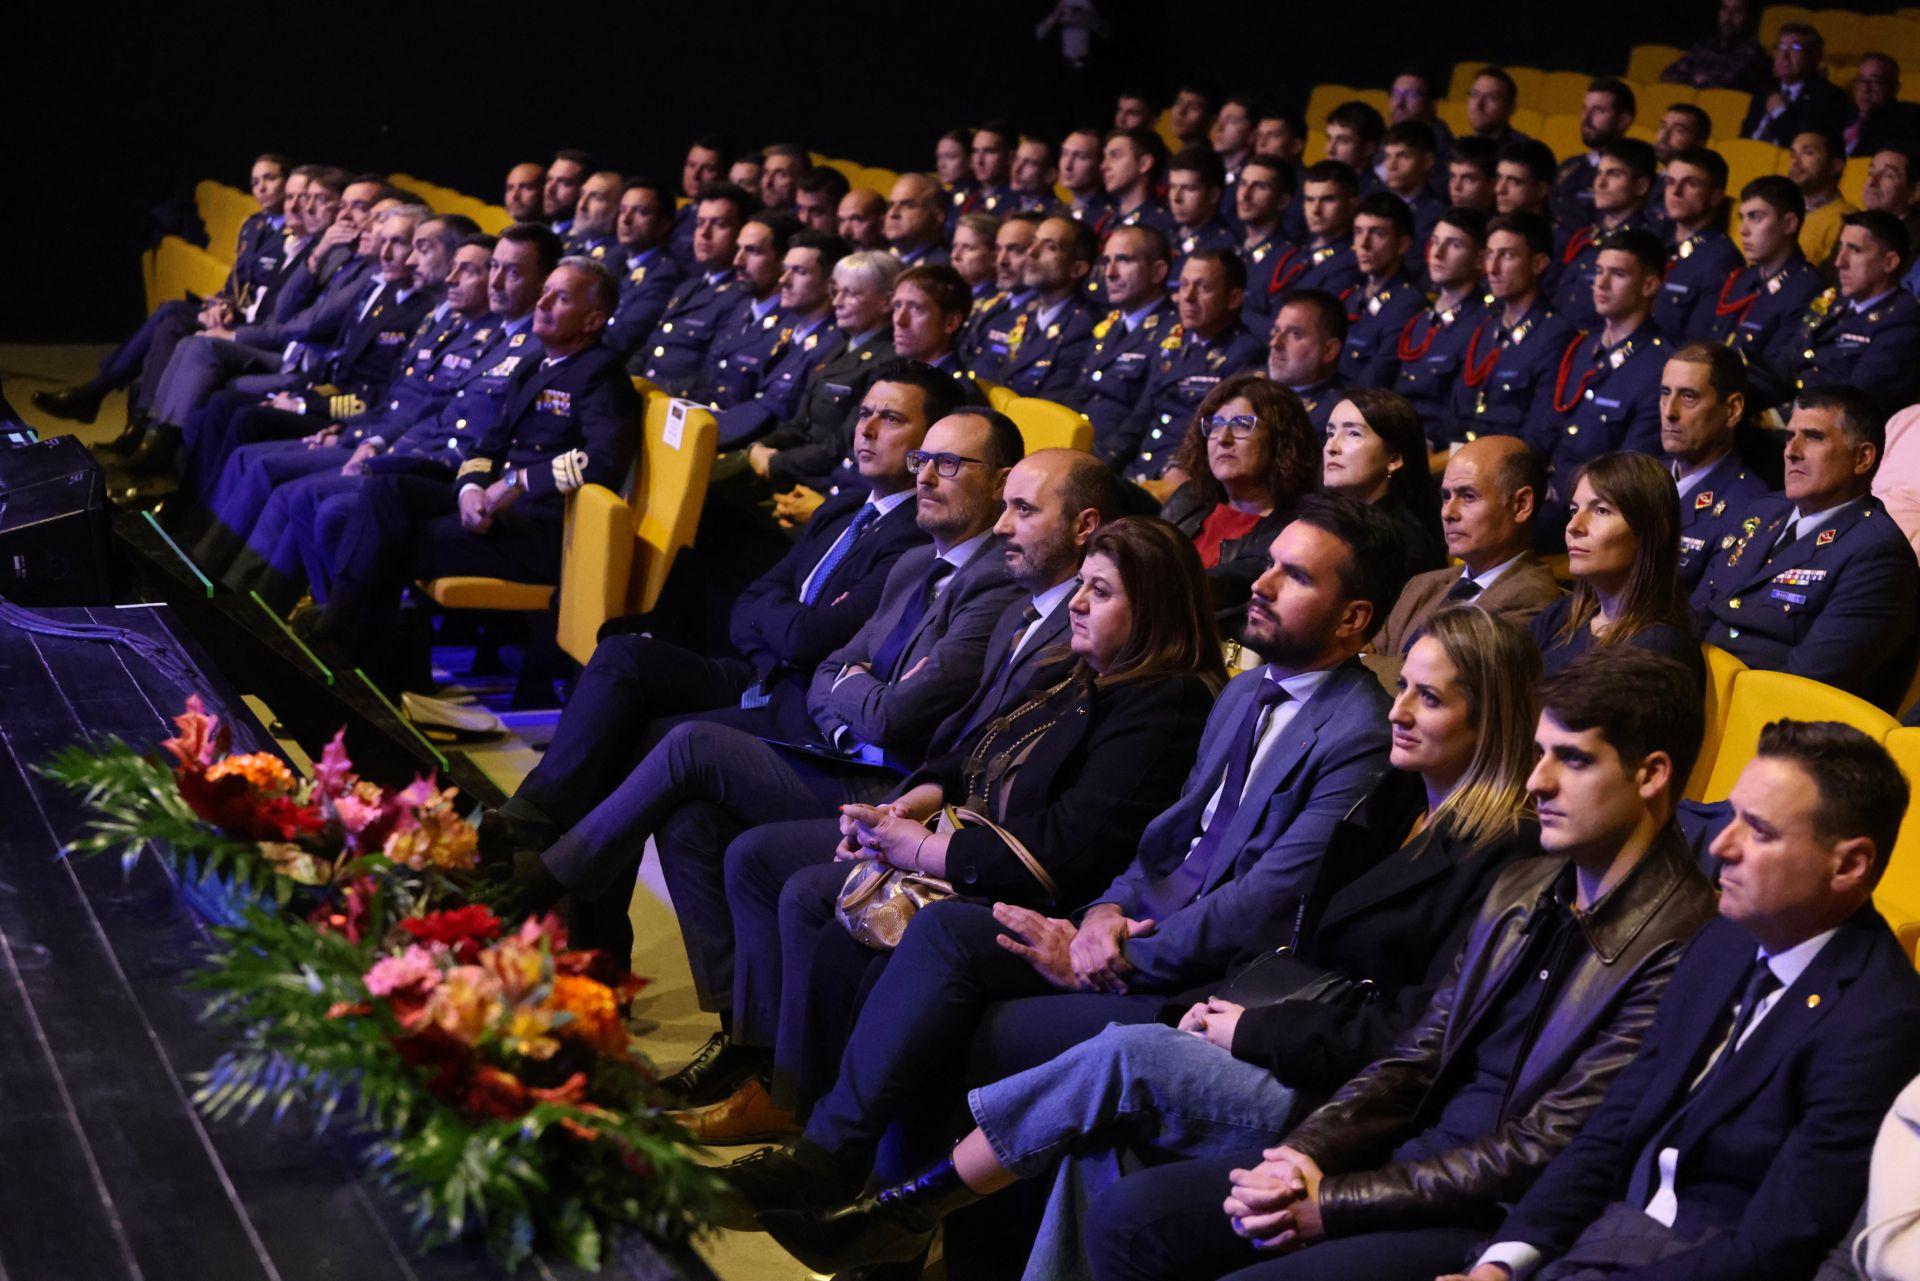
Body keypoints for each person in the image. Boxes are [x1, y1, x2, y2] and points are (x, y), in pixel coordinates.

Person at [763, 605, 1553, 1278]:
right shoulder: (1395, 803)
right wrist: (1106, 918)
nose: (1399, 710)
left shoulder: (1504, 854)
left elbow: (1412, 1033)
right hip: (1267, 1011)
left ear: (1491, 720)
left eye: (1430, 698)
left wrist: (1244, 1025)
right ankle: (891, 1204)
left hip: (1345, 1094)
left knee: (1126, 1055)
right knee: (1092, 1147)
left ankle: (910, 1205)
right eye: (1403, 686)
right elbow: (1179, 856)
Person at [718, 495, 1409, 1231]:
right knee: (942, 934)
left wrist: (1121, 953)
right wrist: (1104, 914)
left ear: (1352, 619)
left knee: (966, 1019)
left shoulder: (1359, 732)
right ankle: (835, 1166)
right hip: (1123, 928)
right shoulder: (1246, 692)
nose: (1262, 584)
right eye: (1268, 564)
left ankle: (885, 1210)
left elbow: (1269, 899)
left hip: (1203, 978)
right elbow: (1163, 843)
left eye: (1294, 575)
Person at [1084, 646, 1719, 1281]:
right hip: (1402, 1155)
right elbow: (1417, 1051)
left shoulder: (1683, 941)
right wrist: (1305, 1155)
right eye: (1541, 752)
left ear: (1650, 775)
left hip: (1492, 1214)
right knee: (1130, 1217)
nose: (1537, 780)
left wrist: (1333, 1203)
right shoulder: (1524, 888)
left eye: (1572, 760)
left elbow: (1546, 1144)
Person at [698, 515, 1227, 1147]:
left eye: (1102, 592)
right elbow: (971, 750)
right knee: (815, 902)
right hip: (972, 845)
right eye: (1081, 584)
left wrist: (919, 849)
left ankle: (830, 1142)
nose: (1078, 603)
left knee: (857, 925)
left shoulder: (1164, 702)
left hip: (1039, 892)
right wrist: (905, 812)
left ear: (1155, 611)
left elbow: (1069, 844)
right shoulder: (1082, 672)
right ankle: (802, 1108)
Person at [680, 450, 1128, 1115]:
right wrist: (917, 797)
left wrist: (917, 834)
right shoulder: (1015, 608)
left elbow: (916, 721)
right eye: (1006, 506)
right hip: (927, 796)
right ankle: (760, 1057)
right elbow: (864, 680)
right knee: (720, 832)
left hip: (980, 836)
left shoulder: (1075, 632)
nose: (1004, 526)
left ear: (1085, 525)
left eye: (1023, 509)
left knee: (792, 876)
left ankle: (797, 1100)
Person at [503, 410, 1025, 972]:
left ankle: (531, 889)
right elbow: (832, 668)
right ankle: (735, 1028)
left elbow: (897, 716)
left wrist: (856, 687)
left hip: (898, 787)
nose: (923, 476)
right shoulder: (919, 561)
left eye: (947, 464)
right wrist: (856, 687)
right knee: (689, 817)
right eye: (923, 460)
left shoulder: (998, 582)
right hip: (839, 747)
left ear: (1001, 482)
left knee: (687, 742)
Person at [1443, 719, 1920, 1281]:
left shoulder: (1882, 1021)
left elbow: (1773, 1248)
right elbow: (1612, 1127)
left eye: (1760, 832)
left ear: (1849, 865)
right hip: (1594, 1240)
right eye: (1731, 816)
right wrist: (1503, 1262)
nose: (1721, 846)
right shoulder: (1722, 941)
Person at [477, 362, 958, 881]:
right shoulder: (843, 508)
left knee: (641, 740)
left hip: (798, 701)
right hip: (756, 672)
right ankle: (532, 821)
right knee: (623, 655)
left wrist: (779, 629)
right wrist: (778, 633)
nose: (865, 430)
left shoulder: (914, 536)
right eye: (864, 413)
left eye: (889, 419)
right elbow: (753, 602)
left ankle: (545, 865)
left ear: (928, 442)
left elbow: (811, 639)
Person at [297, 257, 640, 689]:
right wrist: (470, 490)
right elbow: (488, 446)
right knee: (388, 487)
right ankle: (356, 648)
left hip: (546, 530)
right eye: (546, 290)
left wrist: (517, 483)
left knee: (395, 539)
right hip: (501, 513)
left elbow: (605, 461)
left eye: (562, 297)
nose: (543, 301)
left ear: (593, 319)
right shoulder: (537, 365)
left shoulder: (602, 375)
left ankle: (351, 653)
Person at [1691, 385, 1920, 711]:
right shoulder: (1764, 511)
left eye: (1813, 437)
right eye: (1789, 436)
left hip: (1767, 729)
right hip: (1693, 694)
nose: (1791, 451)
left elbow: (1806, 685)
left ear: (1862, 458)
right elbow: (1696, 613)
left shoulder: (1878, 554)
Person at [1530, 229, 1669, 540]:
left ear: (1649, 285)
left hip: (1590, 512)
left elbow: (1628, 474)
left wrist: (1553, 491)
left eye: (1617, 274)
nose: (1601, 284)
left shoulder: (1659, 365)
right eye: (1598, 272)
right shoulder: (1583, 347)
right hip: (1547, 491)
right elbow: (1547, 428)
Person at [1372, 436, 1563, 655]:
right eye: (1446, 497)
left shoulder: (1534, 603)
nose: (1447, 513)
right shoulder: (1422, 585)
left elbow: (1440, 682)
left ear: (1520, 505)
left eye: (1468, 496)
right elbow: (1362, 660)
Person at [1532, 452, 1705, 686]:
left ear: (1652, 532)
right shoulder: (1561, 616)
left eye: (1601, 510)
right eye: (1574, 510)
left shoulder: (1659, 651)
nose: (1574, 526)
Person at [1161, 372, 1319, 618]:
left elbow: (1233, 582)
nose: (1223, 438)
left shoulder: (1296, 526)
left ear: (1281, 439)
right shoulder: (1188, 499)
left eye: (1242, 425)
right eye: (1216, 425)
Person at [1120, 250, 1267, 487]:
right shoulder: (1176, 344)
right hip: (1141, 469)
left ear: (1234, 298)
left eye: (1203, 288)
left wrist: (1168, 470)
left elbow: (1214, 434)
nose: (1187, 297)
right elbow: (1141, 417)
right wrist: (1103, 459)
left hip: (1182, 479)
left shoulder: (1245, 353)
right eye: (1184, 285)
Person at [1753, 211, 1920, 413]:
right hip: (1792, 410)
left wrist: (1772, 416)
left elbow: (1855, 403)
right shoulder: (1834, 302)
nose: (1840, 262)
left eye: (1855, 250)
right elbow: (1783, 365)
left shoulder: (1902, 320)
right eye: (1840, 247)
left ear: (1889, 262)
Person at [1443, 213, 1578, 451]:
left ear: (1538, 263)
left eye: (1507, 255)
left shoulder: (1555, 335)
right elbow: (1457, 413)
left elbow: (1538, 436)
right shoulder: (1486, 329)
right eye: (1489, 255)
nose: (1492, 269)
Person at [1059, 225, 1175, 461]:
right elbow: (1080, 393)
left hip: (1113, 462)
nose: (1110, 273)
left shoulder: (1173, 334)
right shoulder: (1110, 326)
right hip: (1079, 450)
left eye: (1124, 260)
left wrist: (1093, 461)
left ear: (1157, 272)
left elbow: (1142, 419)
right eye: (1106, 261)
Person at [1660, 343, 1770, 591]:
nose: (1669, 412)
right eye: (1665, 393)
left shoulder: (1751, 507)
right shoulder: (1640, 477)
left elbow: (1705, 614)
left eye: (1689, 397)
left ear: (1732, 410)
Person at [636, 181, 759, 394]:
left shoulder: (743, 296)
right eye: (700, 223)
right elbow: (649, 350)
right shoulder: (688, 286)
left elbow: (711, 374)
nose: (704, 233)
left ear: (742, 232)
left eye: (719, 224)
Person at [1320, 388, 1448, 579]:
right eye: (1330, 433)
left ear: (1394, 459)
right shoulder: (1322, 516)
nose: (1331, 447)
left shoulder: (1404, 546)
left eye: (1353, 434)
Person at [1394, 207, 1492, 445]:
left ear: (1480, 259)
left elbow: (1460, 413)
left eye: (1454, 245)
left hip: (1434, 446)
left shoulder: (1483, 325)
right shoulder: (1421, 320)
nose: (1437, 254)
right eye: (1435, 242)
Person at [1710, 176, 1824, 368]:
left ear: (1789, 224)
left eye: (1755, 217)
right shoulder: (1742, 279)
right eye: (1742, 218)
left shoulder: (1804, 288)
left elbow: (1776, 372)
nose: (1743, 230)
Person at [1554, 141, 1658, 331]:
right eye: (1599, 173)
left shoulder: (1645, 244)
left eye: (1614, 174)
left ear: (1641, 186)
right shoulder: (1586, 237)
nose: (1600, 184)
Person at [991, 217, 1099, 397]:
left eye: (1050, 247)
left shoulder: (1084, 326)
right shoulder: (1024, 314)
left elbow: (1054, 400)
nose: (1031, 252)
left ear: (1077, 269)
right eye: (1033, 242)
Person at [1654, 148, 1742, 343]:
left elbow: (1698, 344)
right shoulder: (1656, 244)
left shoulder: (1720, 260)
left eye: (1690, 184)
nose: (1675, 192)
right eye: (1670, 182)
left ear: (1716, 196)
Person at [1338, 193, 1425, 390]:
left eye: (1377, 234)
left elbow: (1376, 379)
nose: (1364, 244)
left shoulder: (1407, 304)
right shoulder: (1352, 296)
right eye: (1358, 232)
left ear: (1402, 244)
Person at [600, 177, 687, 361]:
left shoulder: (665, 275)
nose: (626, 219)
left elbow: (622, 338)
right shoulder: (611, 262)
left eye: (641, 212)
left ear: (665, 222)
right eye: (623, 210)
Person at [1742, 22, 1855, 145]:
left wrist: (1780, 113)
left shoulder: (1829, 97)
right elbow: (1744, 135)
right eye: (1780, 47)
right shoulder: (1764, 90)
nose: (1784, 56)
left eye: (1795, 48)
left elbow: (1807, 146)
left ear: (1814, 57)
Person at [1551, 79, 1638, 231]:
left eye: (1598, 111)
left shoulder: (1633, 173)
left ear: (1623, 120)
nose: (1586, 118)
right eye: (1585, 109)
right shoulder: (1570, 165)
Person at [1265, 290, 1347, 433]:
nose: (1275, 343)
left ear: (1329, 350)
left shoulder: (1339, 414)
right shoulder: (1252, 385)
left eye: (1295, 334)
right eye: (1276, 330)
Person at [1661, 0, 1771, 93]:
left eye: (1737, 11)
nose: (1728, 16)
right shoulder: (1705, 44)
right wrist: (1695, 81)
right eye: (1724, 9)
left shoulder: (1753, 52)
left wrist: (1695, 80)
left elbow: (1727, 84)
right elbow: (1668, 75)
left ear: (1749, 16)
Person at [1790, 128, 1856, 264]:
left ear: (1835, 165)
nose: (1795, 162)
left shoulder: (1847, 220)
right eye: (1792, 154)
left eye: (1808, 153)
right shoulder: (1779, 207)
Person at [1845, 54, 1920, 157]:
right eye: (1861, 80)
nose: (1866, 89)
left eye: (1876, 82)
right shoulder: (1839, 114)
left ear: (1894, 88)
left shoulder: (1908, 120)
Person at [885, 173, 950, 267]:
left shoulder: (939, 269)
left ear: (937, 218)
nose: (893, 213)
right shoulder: (883, 262)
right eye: (891, 205)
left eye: (908, 205)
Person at [1466, 67, 1527, 147]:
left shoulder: (1522, 151)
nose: (1479, 104)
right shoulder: (1461, 146)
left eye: (1492, 97)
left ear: (1511, 107)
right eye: (1475, 94)